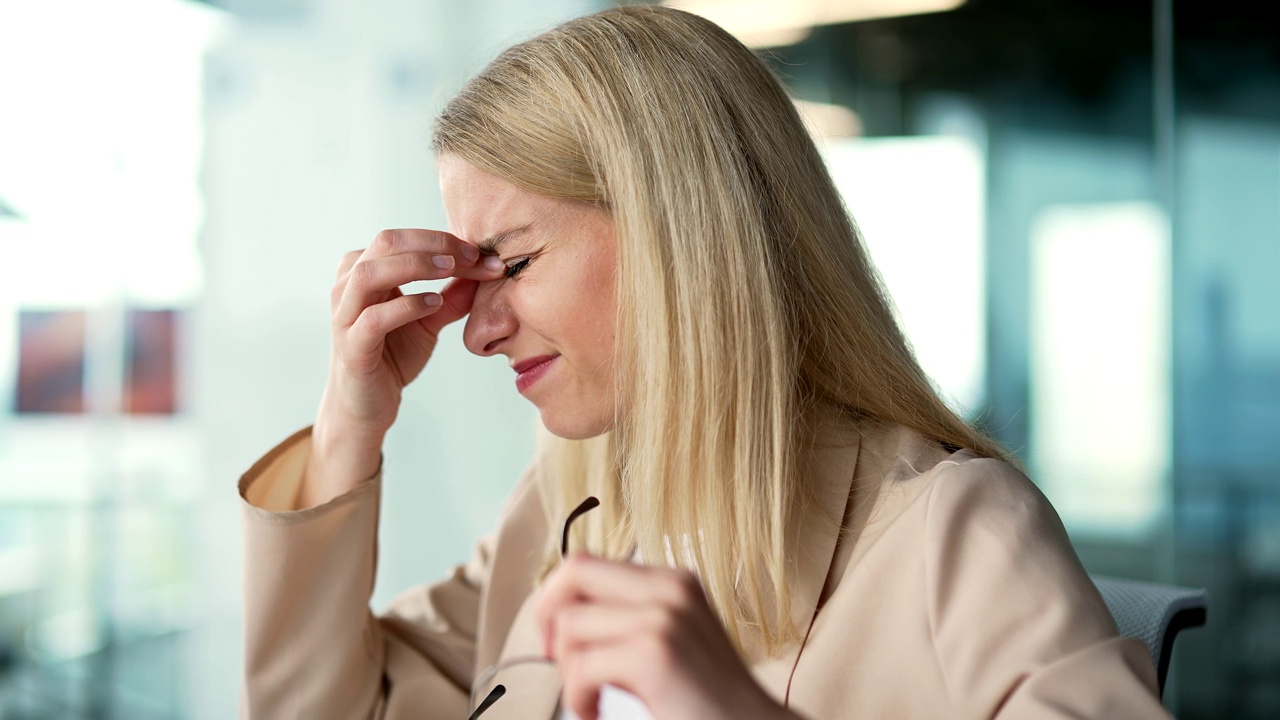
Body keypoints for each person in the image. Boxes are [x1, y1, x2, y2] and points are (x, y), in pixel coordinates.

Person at [238, 6, 1171, 719]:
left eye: (514, 263)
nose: (476, 333)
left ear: (682, 237)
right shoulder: (568, 508)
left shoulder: (954, 536)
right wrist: (347, 429)